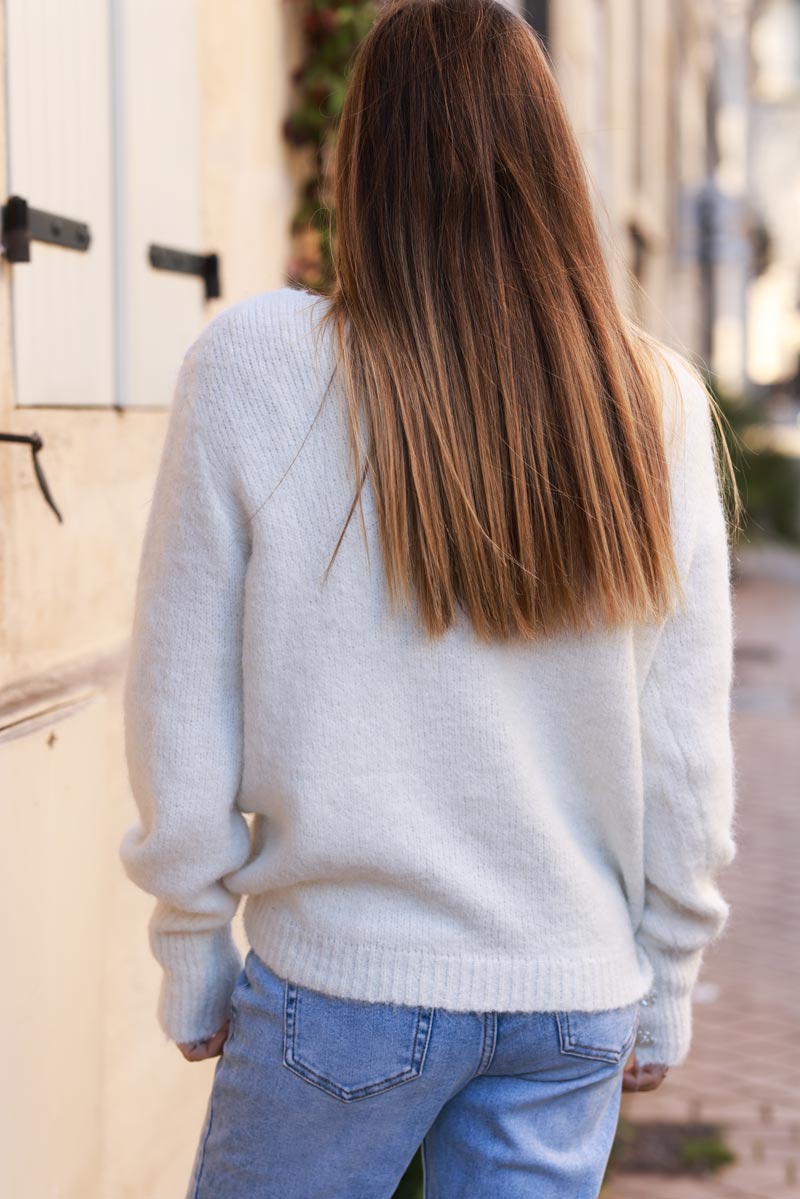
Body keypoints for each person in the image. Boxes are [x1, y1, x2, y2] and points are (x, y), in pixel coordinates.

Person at [119, 0, 740, 1195]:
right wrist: (667, 975)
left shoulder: (256, 366)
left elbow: (179, 692)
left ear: (365, 157)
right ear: (552, 163)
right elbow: (681, 744)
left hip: (340, 984)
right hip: (570, 995)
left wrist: (189, 938)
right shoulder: (649, 398)